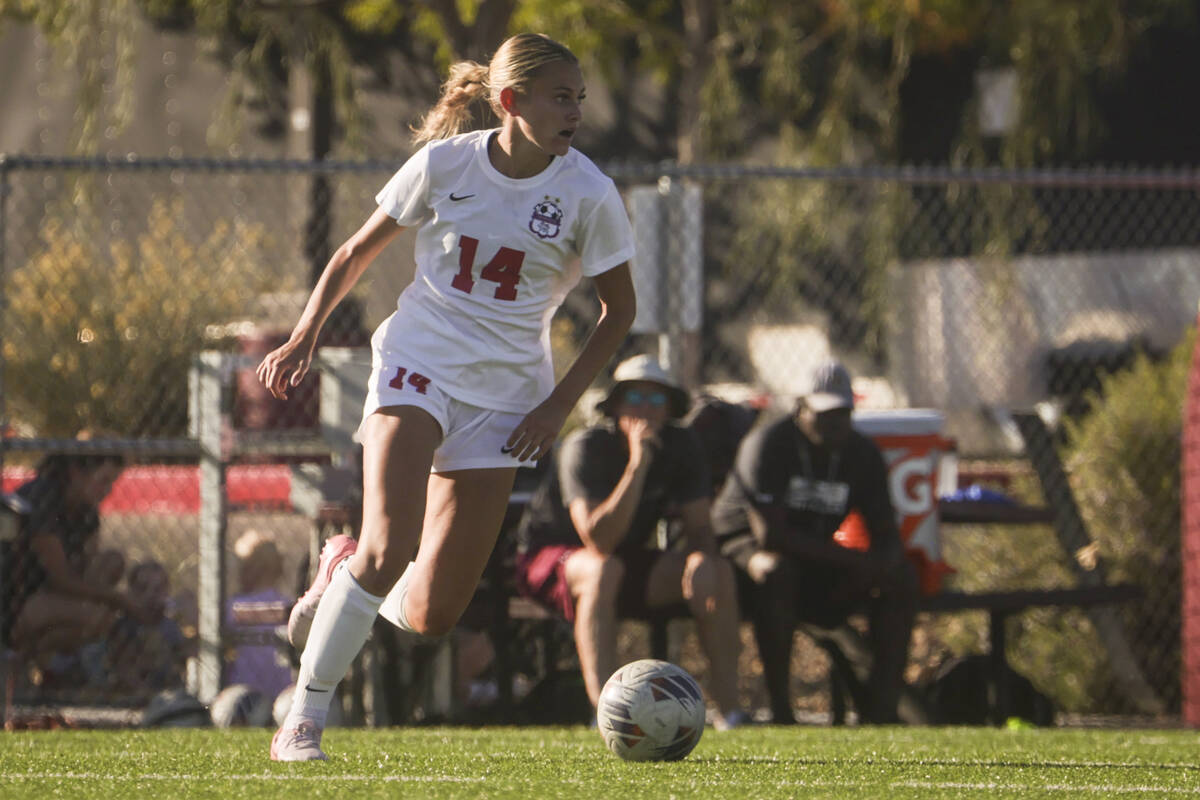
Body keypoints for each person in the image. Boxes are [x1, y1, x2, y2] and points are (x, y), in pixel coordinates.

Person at [256, 32, 636, 761]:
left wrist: (558, 405)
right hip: (418, 363)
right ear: (511, 101)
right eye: (561, 96)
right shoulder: (445, 164)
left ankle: (340, 572)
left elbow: (620, 312)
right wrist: (305, 335)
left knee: (433, 613)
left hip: (508, 399)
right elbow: (353, 253)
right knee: (389, 543)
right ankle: (302, 720)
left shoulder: (588, 191)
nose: (576, 111)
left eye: (580, 98)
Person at [515, 354, 746, 728]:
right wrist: (637, 466)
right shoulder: (585, 447)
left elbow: (701, 527)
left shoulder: (682, 446)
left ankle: (732, 713)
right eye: (634, 399)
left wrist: (701, 558)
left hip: (623, 562)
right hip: (551, 561)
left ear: (670, 408)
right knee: (604, 569)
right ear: (615, 405)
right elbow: (599, 539)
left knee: (717, 571)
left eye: (657, 401)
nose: (646, 410)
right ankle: (605, 713)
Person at [710, 359, 919, 724]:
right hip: (742, 553)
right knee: (777, 570)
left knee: (901, 577)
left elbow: (885, 532)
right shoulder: (768, 445)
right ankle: (781, 709)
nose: (834, 422)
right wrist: (854, 562)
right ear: (800, 409)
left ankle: (882, 710)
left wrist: (881, 564)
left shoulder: (862, 454)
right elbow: (770, 536)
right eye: (823, 413)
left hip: (818, 559)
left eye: (841, 412)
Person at [1, 447, 154, 678]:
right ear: (77, 473)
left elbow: (87, 566)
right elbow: (60, 579)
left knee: (113, 562)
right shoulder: (43, 497)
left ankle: (53, 661)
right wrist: (120, 599)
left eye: (112, 482)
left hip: (53, 596)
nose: (108, 490)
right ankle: (26, 659)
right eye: (103, 481)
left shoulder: (86, 510)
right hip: (17, 603)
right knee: (97, 617)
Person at [223, 529, 294, 701]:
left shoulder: (233, 606)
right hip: (283, 689)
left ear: (249, 568)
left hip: (244, 690)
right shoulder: (289, 604)